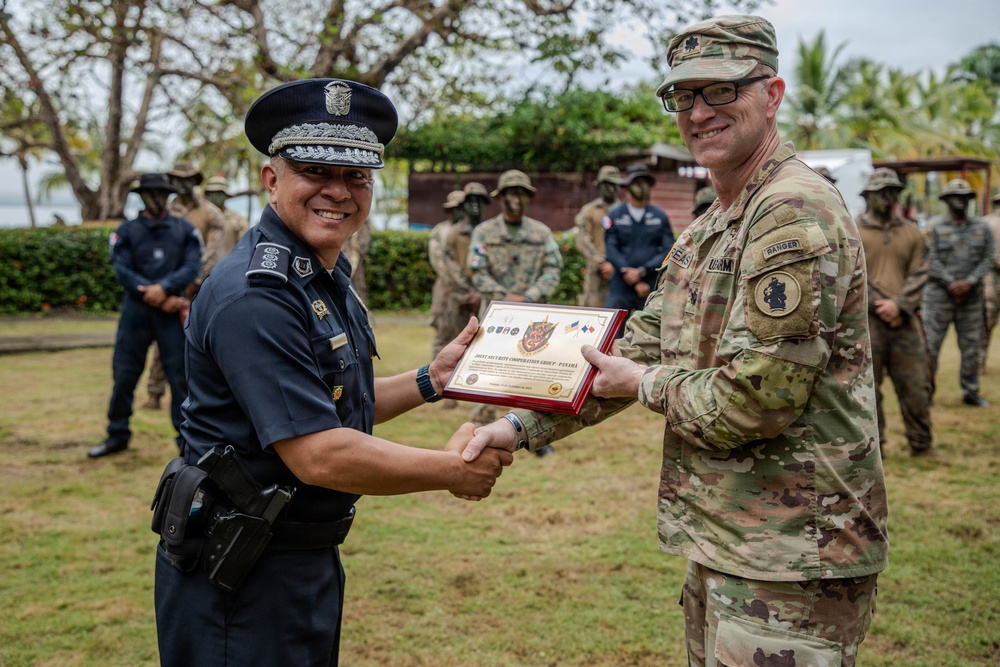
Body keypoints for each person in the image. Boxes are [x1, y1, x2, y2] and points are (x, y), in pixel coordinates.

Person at [464, 15, 887, 667]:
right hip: (728, 535)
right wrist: (516, 427)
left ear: (772, 95)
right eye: (683, 95)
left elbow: (756, 400)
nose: (699, 111)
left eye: (721, 90)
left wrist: (644, 385)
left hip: (795, 553)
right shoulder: (712, 223)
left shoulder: (792, 212)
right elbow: (636, 345)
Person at [153, 78, 511, 667]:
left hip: (293, 557)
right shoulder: (258, 295)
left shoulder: (318, 273)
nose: (338, 191)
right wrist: (451, 471)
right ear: (272, 180)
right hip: (238, 577)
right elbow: (318, 452)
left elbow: (336, 402)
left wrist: (432, 379)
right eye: (315, 171)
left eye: (356, 176)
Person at [87, 173, 201, 458]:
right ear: (142, 197)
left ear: (168, 196)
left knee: (181, 380)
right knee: (124, 375)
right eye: (151, 194)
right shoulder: (126, 232)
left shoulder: (185, 230)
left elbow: (192, 266)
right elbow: (122, 270)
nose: (156, 199)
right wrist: (152, 294)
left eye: (161, 194)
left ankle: (186, 442)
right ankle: (117, 434)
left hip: (171, 313)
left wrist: (164, 288)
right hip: (137, 312)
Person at [468, 169, 562, 456]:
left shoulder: (541, 233)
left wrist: (530, 296)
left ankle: (536, 435)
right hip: (496, 315)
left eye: (522, 194)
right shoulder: (484, 232)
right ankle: (479, 431)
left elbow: (553, 267)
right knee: (489, 372)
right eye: (511, 194)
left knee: (534, 375)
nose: (516, 200)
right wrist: (504, 298)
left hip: (534, 317)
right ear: (500, 198)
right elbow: (477, 269)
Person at [857, 168, 934, 456]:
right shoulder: (852, 230)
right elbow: (852, 275)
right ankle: (875, 449)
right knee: (867, 388)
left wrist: (899, 304)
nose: (888, 197)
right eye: (881, 192)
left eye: (893, 191)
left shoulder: (912, 233)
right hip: (867, 321)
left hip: (905, 320)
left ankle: (921, 443)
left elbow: (921, 272)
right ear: (868, 196)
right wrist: (880, 304)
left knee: (916, 384)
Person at [143, 161, 228, 411]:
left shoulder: (211, 213)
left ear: (195, 181)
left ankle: (202, 394)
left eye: (186, 179)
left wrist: (194, 280)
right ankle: (155, 392)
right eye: (176, 179)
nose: (181, 184)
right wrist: (168, 285)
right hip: (169, 288)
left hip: (203, 287)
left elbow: (213, 251)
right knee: (163, 343)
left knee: (203, 341)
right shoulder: (165, 211)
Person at [923, 178, 994, 407]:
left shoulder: (982, 227)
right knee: (930, 345)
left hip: (971, 297)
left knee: (971, 346)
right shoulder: (934, 227)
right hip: (939, 295)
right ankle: (926, 393)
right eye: (955, 196)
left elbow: (988, 258)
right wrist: (952, 283)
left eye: (964, 197)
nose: (960, 200)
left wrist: (969, 282)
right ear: (946, 200)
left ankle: (971, 392)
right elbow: (929, 259)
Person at [603, 163, 674, 319]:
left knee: (651, 329)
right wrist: (628, 274)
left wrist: (642, 271)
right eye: (636, 182)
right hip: (620, 285)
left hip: (650, 284)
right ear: (627, 186)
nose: (641, 187)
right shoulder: (615, 215)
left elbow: (668, 250)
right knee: (614, 328)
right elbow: (611, 249)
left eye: (644, 182)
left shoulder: (659, 216)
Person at [574, 165, 621, 307]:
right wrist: (601, 262)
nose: (610, 188)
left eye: (613, 184)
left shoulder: (624, 212)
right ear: (599, 186)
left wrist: (616, 264)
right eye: (606, 184)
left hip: (620, 272)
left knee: (621, 313)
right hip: (596, 273)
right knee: (593, 312)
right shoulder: (589, 211)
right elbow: (582, 240)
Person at [429, 189, 467, 360]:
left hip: (469, 291)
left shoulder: (472, 230)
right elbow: (438, 261)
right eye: (454, 208)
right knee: (443, 333)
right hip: (446, 288)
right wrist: (455, 282)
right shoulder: (440, 230)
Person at [203, 174, 250, 255]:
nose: (215, 197)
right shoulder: (201, 218)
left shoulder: (238, 220)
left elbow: (245, 248)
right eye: (212, 193)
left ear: (226, 195)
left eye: (219, 193)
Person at [979, 190, 1000, 372]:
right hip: (991, 277)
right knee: (986, 319)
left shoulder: (985, 222)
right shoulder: (987, 223)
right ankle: (980, 360)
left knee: (986, 320)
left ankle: (980, 360)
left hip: (990, 277)